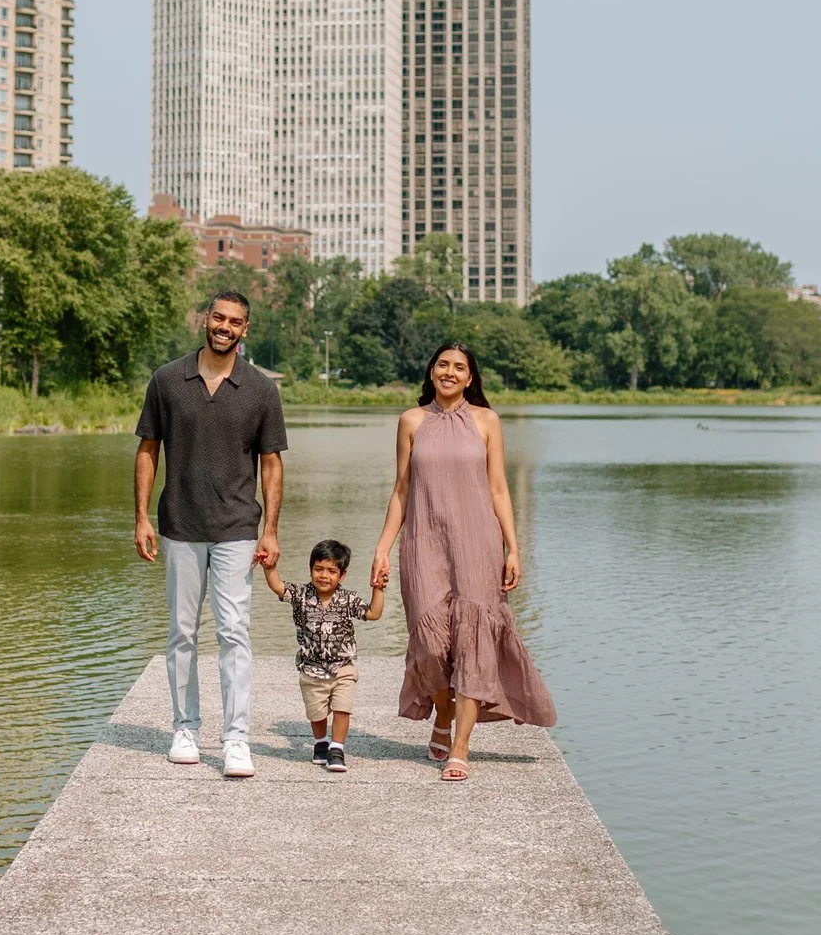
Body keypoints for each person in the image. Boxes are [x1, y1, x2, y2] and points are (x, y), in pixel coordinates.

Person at [369, 341, 555, 780]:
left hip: (478, 544)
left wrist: (513, 547)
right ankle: (443, 713)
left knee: (473, 643)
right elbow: (401, 490)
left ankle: (461, 746)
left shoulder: (486, 421)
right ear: (431, 371)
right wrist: (382, 547)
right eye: (442, 365)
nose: (449, 372)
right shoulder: (411, 421)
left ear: (470, 378)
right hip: (423, 543)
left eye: (459, 367)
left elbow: (498, 489)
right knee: (431, 645)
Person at [134, 290, 287, 778]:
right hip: (179, 525)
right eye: (218, 317)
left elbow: (272, 463)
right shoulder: (167, 380)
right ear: (206, 320)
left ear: (246, 329)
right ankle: (185, 728)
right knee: (181, 632)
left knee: (234, 633)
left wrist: (272, 531)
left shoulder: (261, 390)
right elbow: (147, 451)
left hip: (238, 530)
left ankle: (237, 739)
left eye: (235, 321)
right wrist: (141, 518)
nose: (224, 326)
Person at [265, 538, 383, 773]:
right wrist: (269, 567)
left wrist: (378, 587)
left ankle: (337, 748)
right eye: (318, 569)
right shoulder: (301, 595)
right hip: (311, 668)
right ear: (310, 569)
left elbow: (373, 613)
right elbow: (278, 586)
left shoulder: (348, 599)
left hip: (343, 667)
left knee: (342, 708)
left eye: (331, 571)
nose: (324, 575)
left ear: (342, 575)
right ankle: (320, 744)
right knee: (316, 713)